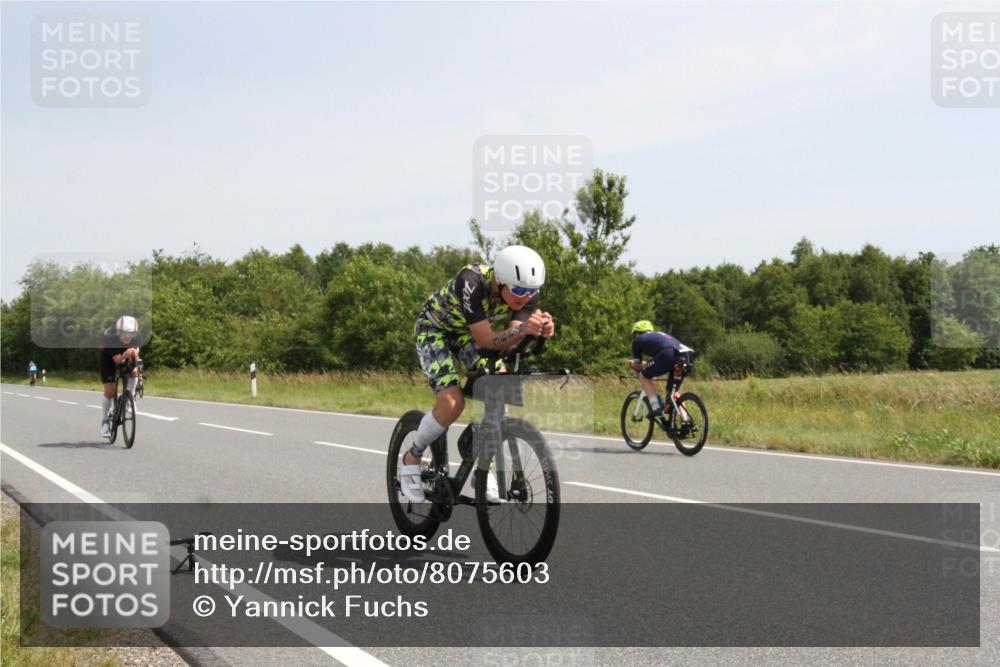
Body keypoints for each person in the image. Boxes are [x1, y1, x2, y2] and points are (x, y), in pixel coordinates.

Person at [400, 245, 556, 503]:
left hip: (467, 335)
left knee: (500, 387)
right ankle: (412, 456)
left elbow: (511, 341)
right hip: (435, 330)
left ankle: (485, 468)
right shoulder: (470, 281)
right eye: (518, 291)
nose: (524, 298)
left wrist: (535, 332)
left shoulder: (525, 293)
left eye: (531, 291)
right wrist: (521, 331)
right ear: (500, 280)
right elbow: (486, 340)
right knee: (452, 404)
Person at [628, 320, 685, 417]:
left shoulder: (638, 340)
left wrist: (631, 364)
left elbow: (638, 365)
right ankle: (685, 420)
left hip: (668, 354)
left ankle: (656, 407)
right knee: (673, 391)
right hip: (685, 355)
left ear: (637, 333)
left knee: (643, 376)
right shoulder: (659, 336)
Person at [99, 316, 142, 438]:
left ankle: (131, 397)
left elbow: (136, 357)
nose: (127, 336)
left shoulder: (138, 337)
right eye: (124, 333)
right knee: (110, 390)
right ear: (118, 332)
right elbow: (117, 360)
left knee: (134, 371)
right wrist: (124, 355)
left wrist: (135, 364)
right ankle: (105, 421)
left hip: (126, 354)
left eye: (130, 334)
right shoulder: (110, 337)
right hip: (109, 357)